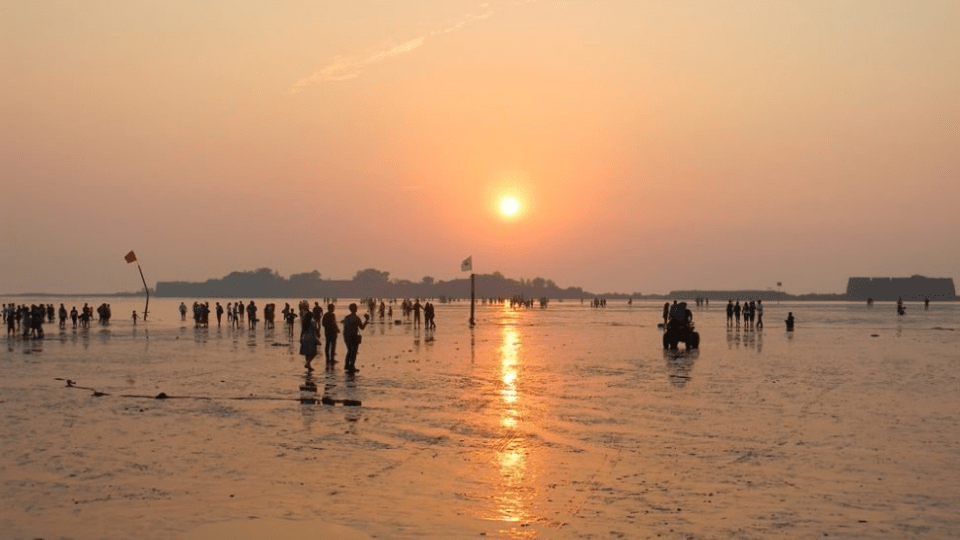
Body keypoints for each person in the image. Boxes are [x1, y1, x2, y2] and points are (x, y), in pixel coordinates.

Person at [341, 303, 369, 373]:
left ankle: (347, 365)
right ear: (355, 309)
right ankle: (352, 366)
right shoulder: (356, 318)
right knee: (354, 352)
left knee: (349, 351)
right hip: (354, 336)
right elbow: (362, 327)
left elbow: (345, 327)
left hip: (346, 336)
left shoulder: (347, 317)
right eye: (356, 307)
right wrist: (366, 320)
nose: (357, 308)